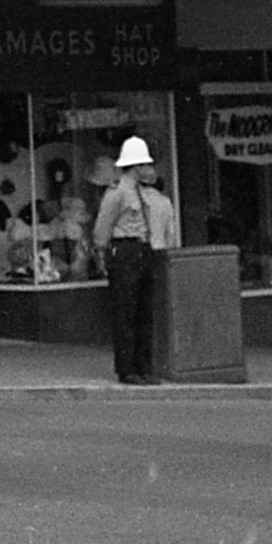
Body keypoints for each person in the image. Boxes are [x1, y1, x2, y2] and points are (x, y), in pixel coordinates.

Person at [93, 134, 179, 385]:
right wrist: (101, 254)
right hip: (124, 251)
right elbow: (102, 228)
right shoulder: (117, 192)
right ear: (136, 165)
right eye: (146, 164)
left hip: (144, 250)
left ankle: (144, 367)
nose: (149, 170)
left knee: (144, 313)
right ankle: (127, 369)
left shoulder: (146, 193)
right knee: (125, 313)